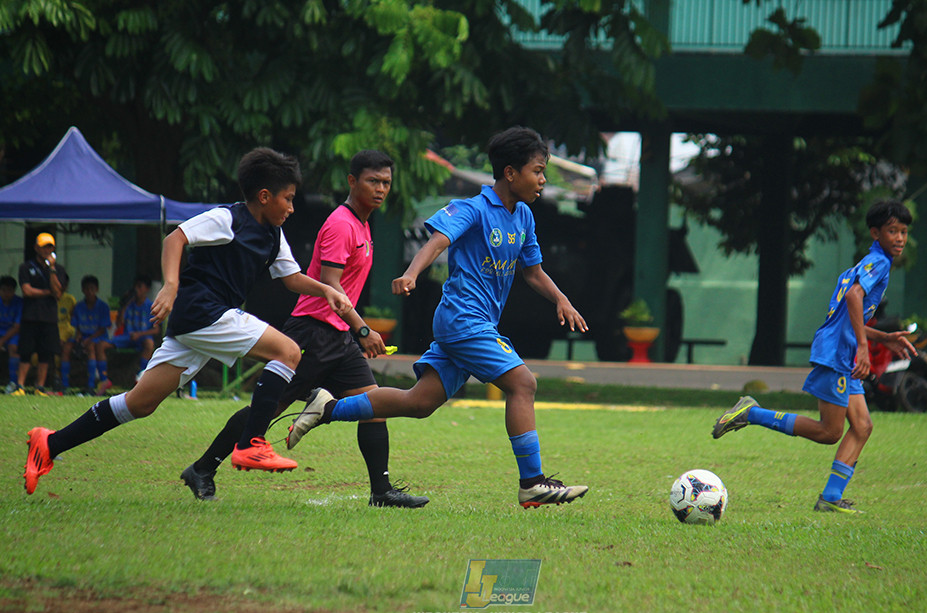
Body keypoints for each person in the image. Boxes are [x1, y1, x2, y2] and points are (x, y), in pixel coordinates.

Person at [286, 127, 590, 509]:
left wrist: (561, 299)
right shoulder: (472, 208)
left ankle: (326, 408)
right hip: (463, 320)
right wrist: (412, 274)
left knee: (420, 403)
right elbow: (438, 241)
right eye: (538, 170)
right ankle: (532, 483)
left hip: (475, 324)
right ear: (510, 173)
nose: (543, 180)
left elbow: (533, 272)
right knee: (523, 384)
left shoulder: (524, 217)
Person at [22, 147, 353, 495]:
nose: (291, 207)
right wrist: (170, 284)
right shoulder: (229, 219)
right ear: (264, 196)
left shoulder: (273, 235)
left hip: (201, 322)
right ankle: (251, 443)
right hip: (202, 311)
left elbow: (291, 278)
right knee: (287, 352)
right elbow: (175, 237)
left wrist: (326, 291)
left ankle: (50, 444)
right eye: (288, 199)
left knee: (139, 403)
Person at [181, 149, 428, 508]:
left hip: (337, 336)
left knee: (372, 405)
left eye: (386, 183)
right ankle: (203, 469)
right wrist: (362, 330)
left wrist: (352, 332)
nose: (381, 189)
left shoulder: (362, 224)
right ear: (351, 181)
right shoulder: (342, 224)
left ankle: (381, 491)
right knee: (267, 410)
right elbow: (331, 284)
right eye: (373, 181)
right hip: (312, 332)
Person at [712, 200, 917, 514]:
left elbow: (849, 315)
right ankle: (751, 413)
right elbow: (853, 298)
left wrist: (883, 338)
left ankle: (831, 498)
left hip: (843, 350)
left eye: (903, 231)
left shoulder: (863, 265)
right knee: (829, 432)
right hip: (839, 353)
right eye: (893, 231)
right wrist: (863, 348)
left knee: (862, 427)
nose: (900, 238)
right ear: (876, 233)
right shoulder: (879, 263)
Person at [13, 232, 68, 396]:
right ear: (36, 247)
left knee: (46, 353)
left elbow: (58, 293)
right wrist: (46, 292)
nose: (46, 249)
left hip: (49, 318)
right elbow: (27, 290)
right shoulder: (26, 267)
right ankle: (20, 386)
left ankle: (40, 387)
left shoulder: (58, 269)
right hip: (30, 316)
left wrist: (51, 269)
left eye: (49, 246)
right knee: (25, 352)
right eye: (44, 246)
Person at [106, 275, 159, 391]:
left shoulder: (150, 307)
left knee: (149, 344)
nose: (137, 290)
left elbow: (156, 329)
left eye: (140, 287)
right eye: (136, 287)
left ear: (147, 289)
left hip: (141, 338)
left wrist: (140, 335)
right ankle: (102, 379)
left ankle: (141, 377)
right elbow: (119, 324)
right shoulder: (129, 305)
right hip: (127, 337)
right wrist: (125, 305)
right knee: (101, 345)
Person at [60, 275, 113, 393]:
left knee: (91, 348)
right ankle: (64, 384)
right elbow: (76, 325)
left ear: (97, 289)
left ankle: (91, 384)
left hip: (97, 337)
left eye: (92, 289)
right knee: (66, 348)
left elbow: (102, 328)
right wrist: (78, 335)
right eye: (86, 289)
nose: (89, 292)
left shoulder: (103, 306)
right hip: (82, 337)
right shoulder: (78, 306)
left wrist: (89, 339)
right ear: (82, 290)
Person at [0, 275, 22, 393]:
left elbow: (17, 327)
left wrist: (2, 341)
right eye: (3, 290)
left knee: (14, 347)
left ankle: (13, 383)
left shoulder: (19, 303)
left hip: (12, 334)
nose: (6, 293)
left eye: (9, 290)